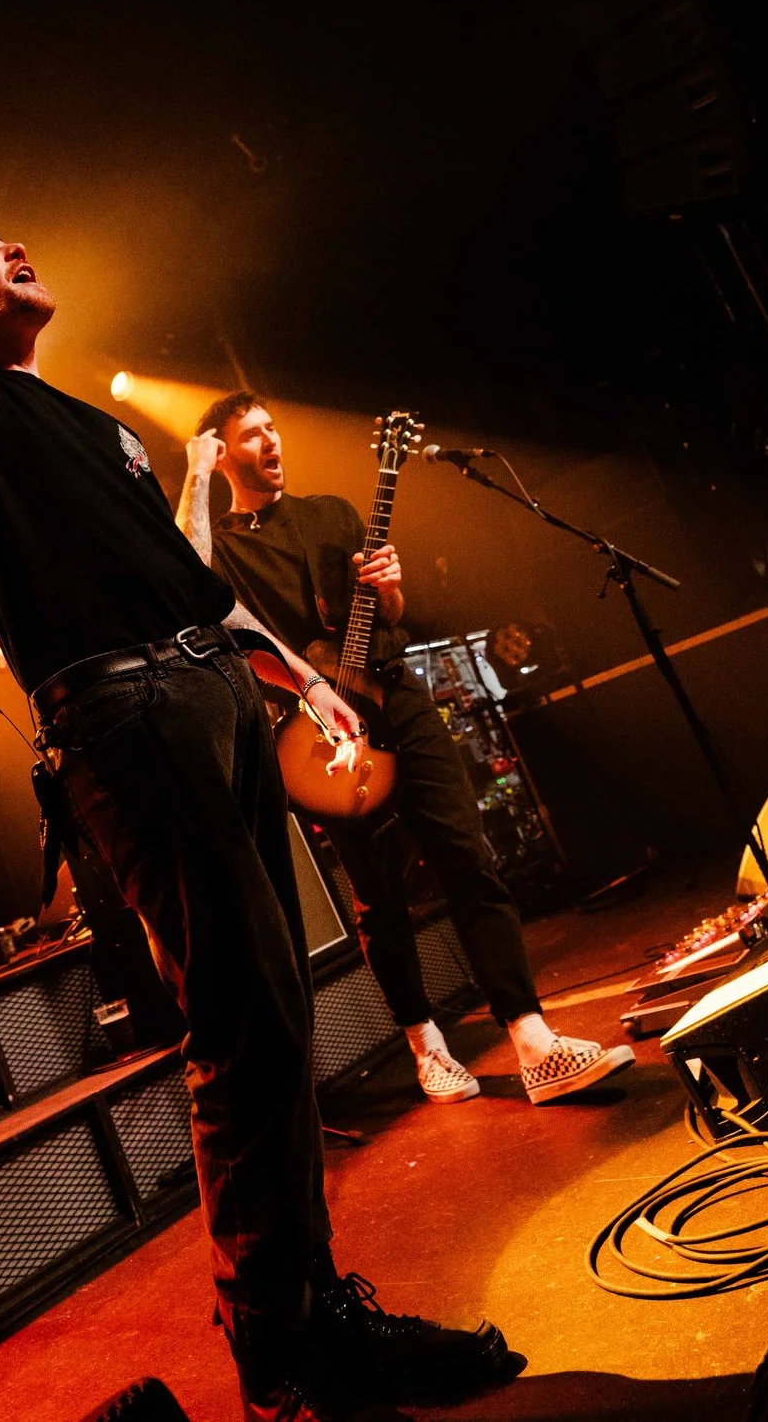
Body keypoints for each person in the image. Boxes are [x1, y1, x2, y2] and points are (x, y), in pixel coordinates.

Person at [0, 0, 517, 1422]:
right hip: (121, 711)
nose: (6, 252)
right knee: (238, 1015)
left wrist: (294, 680)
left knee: (273, 1002)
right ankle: (285, 1340)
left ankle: (311, 1313)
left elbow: (189, 586)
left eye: (6, 241)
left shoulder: (98, 432)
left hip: (204, 689)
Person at [178, 394, 635, 1107]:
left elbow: (386, 613)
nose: (272, 440)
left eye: (274, 426)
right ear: (223, 451)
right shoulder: (226, 543)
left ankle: (533, 1039)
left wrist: (391, 589)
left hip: (401, 697)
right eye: (252, 434)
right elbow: (188, 579)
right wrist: (193, 472)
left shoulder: (330, 512)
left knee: (469, 857)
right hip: (320, 725)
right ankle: (426, 1045)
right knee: (380, 897)